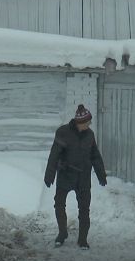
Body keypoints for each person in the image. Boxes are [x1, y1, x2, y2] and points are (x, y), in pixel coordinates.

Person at [44, 104, 107, 249]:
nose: (89, 125)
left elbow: (95, 156)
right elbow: (54, 154)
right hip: (65, 175)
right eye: (87, 122)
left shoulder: (90, 135)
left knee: (84, 209)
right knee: (59, 205)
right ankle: (62, 233)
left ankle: (83, 239)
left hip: (83, 177)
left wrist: (101, 174)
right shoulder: (63, 132)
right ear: (80, 122)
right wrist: (49, 175)